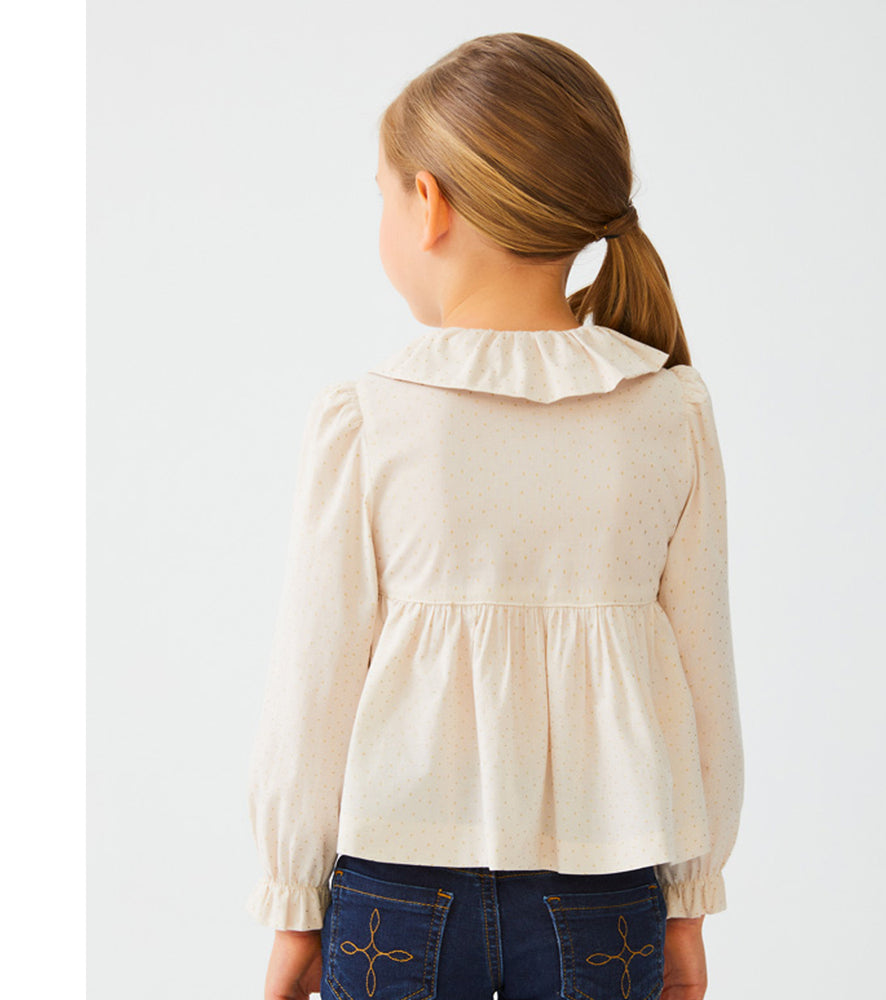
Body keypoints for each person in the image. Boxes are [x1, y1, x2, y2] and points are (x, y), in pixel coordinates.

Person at [245, 31, 744, 1000]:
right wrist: (689, 896)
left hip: (394, 887)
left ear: (427, 203)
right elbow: (703, 681)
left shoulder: (367, 418)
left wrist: (293, 901)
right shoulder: (669, 410)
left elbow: (313, 684)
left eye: (383, 193)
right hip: (609, 884)